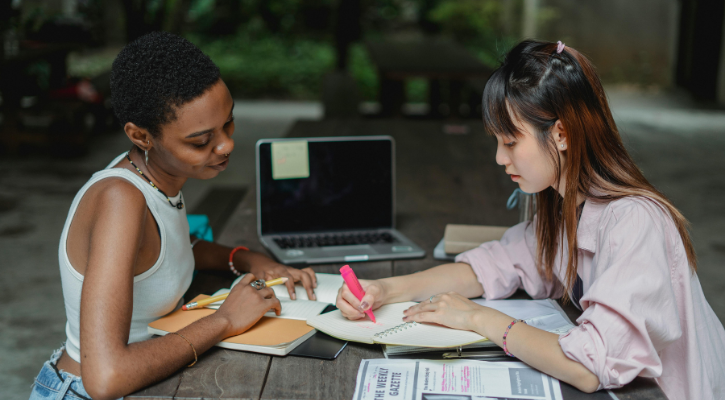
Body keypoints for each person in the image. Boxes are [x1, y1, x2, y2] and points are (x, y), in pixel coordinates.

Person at [336, 40, 725, 400]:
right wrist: (385, 289)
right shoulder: (565, 204)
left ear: (561, 134)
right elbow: (491, 266)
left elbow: (589, 366)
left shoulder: (635, 221)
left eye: (510, 142)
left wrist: (479, 318)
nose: (500, 159)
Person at [29, 32, 317, 400]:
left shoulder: (154, 180)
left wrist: (245, 258)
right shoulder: (120, 200)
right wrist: (225, 320)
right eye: (201, 140)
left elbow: (167, 249)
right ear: (141, 136)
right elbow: (106, 379)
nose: (226, 145)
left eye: (228, 123)